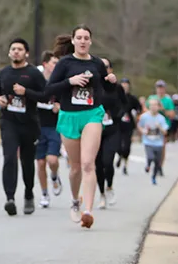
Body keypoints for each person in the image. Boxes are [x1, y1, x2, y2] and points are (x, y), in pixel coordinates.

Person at [46, 26, 118, 229]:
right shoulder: (64, 63)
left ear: (91, 41)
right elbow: (49, 90)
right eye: (79, 37)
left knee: (88, 163)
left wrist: (112, 81)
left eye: (86, 38)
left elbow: (107, 89)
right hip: (69, 116)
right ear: (73, 40)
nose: (83, 41)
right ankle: (75, 201)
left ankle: (88, 210)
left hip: (92, 114)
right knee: (75, 167)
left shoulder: (97, 63)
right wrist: (70, 81)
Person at [0, 38, 46, 216]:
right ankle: (10, 198)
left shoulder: (33, 74)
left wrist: (27, 92)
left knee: (27, 161)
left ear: (26, 53)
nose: (16, 52)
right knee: (9, 158)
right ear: (9, 53)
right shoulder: (3, 73)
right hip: (8, 122)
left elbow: (45, 96)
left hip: (29, 123)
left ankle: (29, 193)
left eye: (20, 49)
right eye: (13, 49)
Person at [95, 58, 124, 209]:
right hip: (95, 129)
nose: (103, 69)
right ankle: (101, 193)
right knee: (98, 164)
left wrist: (116, 115)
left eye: (106, 67)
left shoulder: (116, 87)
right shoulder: (93, 86)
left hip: (112, 128)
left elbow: (124, 104)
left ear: (110, 69)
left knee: (108, 161)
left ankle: (110, 186)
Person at [36, 51, 63, 206]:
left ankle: (54, 175)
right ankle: (45, 194)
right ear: (45, 64)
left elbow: (66, 101)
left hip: (54, 126)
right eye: (54, 63)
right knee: (40, 163)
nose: (56, 66)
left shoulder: (59, 83)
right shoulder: (36, 81)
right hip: (38, 126)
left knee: (52, 160)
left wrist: (59, 106)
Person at [145, 81, 175, 176]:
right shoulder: (151, 98)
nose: (160, 89)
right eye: (158, 87)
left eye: (162, 88)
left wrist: (162, 109)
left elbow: (171, 114)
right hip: (151, 125)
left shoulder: (168, 100)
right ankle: (151, 161)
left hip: (162, 126)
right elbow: (145, 109)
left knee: (161, 147)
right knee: (150, 145)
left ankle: (159, 166)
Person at [139, 99, 168, 185]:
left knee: (157, 162)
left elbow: (165, 132)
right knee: (150, 156)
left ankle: (154, 177)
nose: (153, 107)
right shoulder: (144, 117)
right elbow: (140, 126)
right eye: (151, 105)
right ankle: (148, 165)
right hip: (148, 141)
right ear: (149, 106)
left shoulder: (161, 118)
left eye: (155, 105)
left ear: (159, 107)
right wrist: (143, 131)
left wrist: (159, 127)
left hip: (158, 142)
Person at [115, 78, 141, 175]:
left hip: (128, 125)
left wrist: (136, 112)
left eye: (126, 85)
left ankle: (125, 164)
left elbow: (138, 108)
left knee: (126, 146)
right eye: (123, 85)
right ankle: (119, 155)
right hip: (117, 124)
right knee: (117, 145)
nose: (125, 87)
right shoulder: (116, 97)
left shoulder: (132, 98)